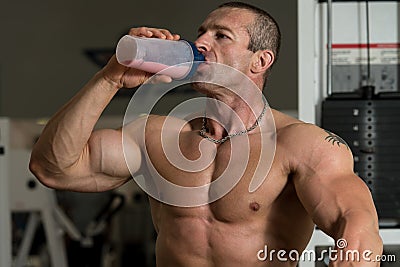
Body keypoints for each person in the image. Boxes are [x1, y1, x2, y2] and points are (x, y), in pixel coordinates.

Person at [29, 2, 383, 266]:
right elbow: (52, 168)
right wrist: (110, 79)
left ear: (260, 61)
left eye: (220, 36)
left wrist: (354, 247)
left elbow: (354, 219)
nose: (200, 42)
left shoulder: (299, 145)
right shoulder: (157, 137)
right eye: (201, 32)